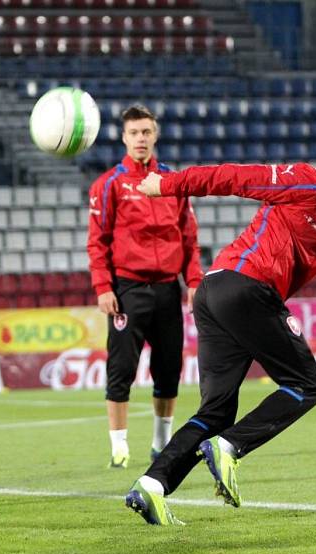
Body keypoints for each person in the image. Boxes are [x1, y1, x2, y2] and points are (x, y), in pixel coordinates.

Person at [124, 143, 316, 525]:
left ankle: (152, 485)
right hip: (243, 286)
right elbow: (235, 178)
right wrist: (168, 185)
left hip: (217, 293)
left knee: (217, 411)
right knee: (307, 386)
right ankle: (230, 446)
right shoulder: (309, 183)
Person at [87, 104, 203, 469]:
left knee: (169, 369)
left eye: (146, 132)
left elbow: (189, 236)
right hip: (128, 289)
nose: (140, 138)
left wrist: (194, 280)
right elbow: (98, 241)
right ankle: (119, 446)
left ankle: (161, 441)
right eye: (134, 132)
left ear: (155, 136)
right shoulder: (108, 185)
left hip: (168, 288)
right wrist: (103, 286)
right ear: (124, 137)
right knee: (121, 368)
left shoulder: (173, 182)